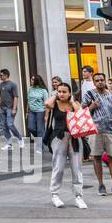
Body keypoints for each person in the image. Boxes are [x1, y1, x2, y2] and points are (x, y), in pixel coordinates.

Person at [44, 81, 87, 209]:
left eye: (64, 92)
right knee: (58, 166)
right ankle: (55, 194)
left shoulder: (74, 104)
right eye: (59, 91)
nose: (61, 94)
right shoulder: (55, 103)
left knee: (76, 167)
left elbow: (81, 113)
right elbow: (47, 104)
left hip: (74, 138)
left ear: (70, 93)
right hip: (59, 137)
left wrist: (72, 101)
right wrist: (55, 96)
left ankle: (78, 196)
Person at [82, 72, 112, 197]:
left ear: (105, 81)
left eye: (102, 80)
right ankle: (101, 185)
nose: (100, 82)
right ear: (94, 82)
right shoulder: (89, 95)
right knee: (96, 157)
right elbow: (82, 112)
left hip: (111, 131)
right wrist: (92, 106)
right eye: (97, 80)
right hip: (95, 131)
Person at [0, 68, 21, 149]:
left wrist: (14, 108)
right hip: (2, 108)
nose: (0, 76)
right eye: (0, 75)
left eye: (1, 75)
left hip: (10, 108)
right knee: (4, 126)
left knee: (10, 124)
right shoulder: (0, 85)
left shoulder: (13, 84)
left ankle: (20, 139)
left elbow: (16, 97)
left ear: (6, 75)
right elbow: (0, 97)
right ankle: (9, 144)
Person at [26, 75, 49, 142]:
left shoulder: (43, 90)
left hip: (40, 111)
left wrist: (46, 115)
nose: (31, 81)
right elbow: (28, 101)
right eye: (31, 79)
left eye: (33, 79)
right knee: (31, 128)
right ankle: (42, 139)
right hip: (31, 111)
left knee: (40, 130)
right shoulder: (30, 89)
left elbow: (47, 104)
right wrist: (27, 111)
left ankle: (39, 147)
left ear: (37, 81)